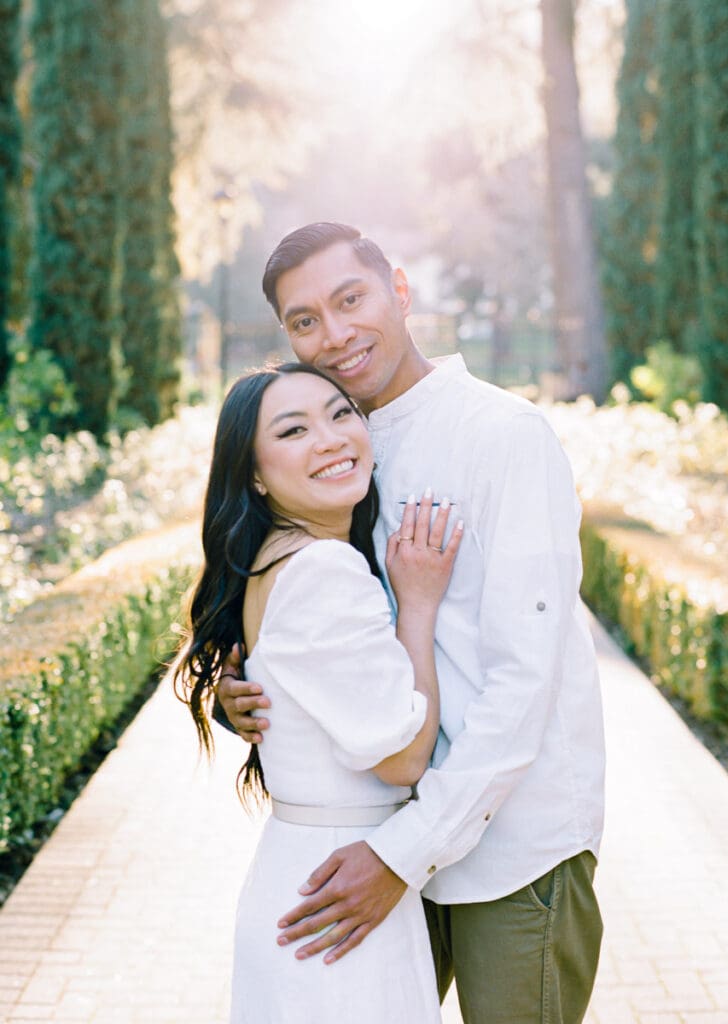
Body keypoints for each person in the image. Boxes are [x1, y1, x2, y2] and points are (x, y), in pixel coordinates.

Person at [217, 222, 606, 1024]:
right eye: (304, 320)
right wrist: (248, 688)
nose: (334, 335)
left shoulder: (502, 436)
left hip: (505, 848)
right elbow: (302, 608)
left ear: (399, 289)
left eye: (350, 299)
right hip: (383, 848)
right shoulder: (340, 443)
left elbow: (525, 680)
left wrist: (406, 851)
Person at [173, 363, 462, 1023]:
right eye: (294, 430)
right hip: (343, 892)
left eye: (340, 413)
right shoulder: (325, 569)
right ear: (253, 472)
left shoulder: (273, 559)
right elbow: (402, 759)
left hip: (308, 878)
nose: (331, 438)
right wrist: (416, 605)